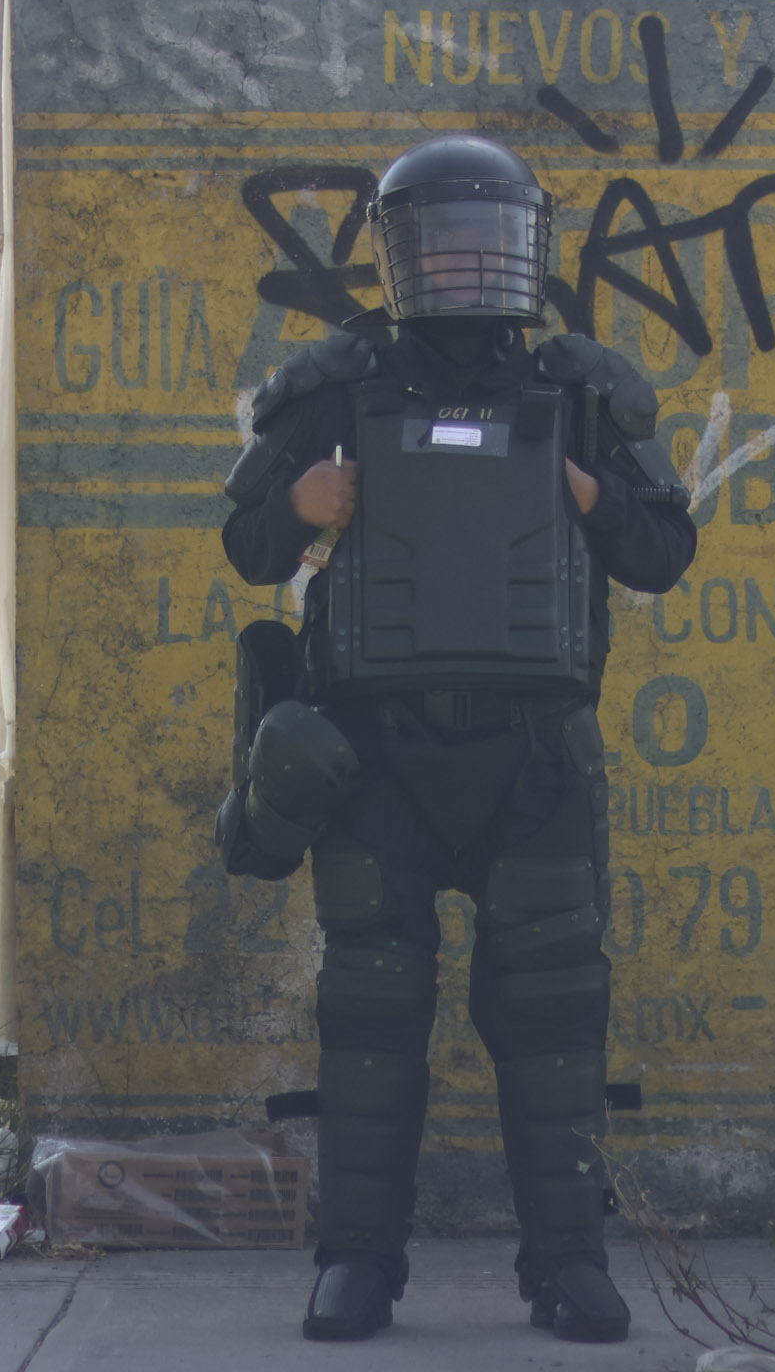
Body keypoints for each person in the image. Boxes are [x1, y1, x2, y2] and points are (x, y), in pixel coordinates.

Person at [217, 134, 697, 1345]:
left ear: (528, 248)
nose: (470, 262)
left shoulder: (582, 392)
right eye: (446, 240)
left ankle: (569, 1263)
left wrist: (587, 493)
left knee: (554, 1018)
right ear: (402, 254)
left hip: (533, 760)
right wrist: (302, 504)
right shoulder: (334, 387)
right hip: (374, 760)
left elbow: (663, 552)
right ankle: (357, 1263)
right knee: (369, 1018)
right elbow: (248, 545)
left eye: (492, 238)